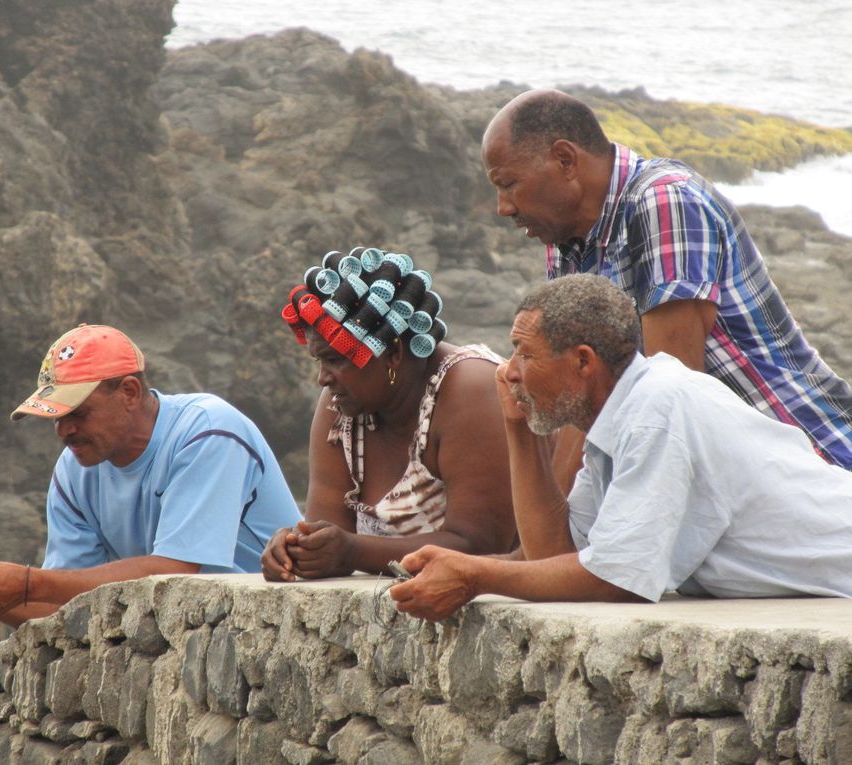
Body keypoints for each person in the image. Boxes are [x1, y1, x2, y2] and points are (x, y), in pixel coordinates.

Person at [390, 275, 852, 620]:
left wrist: (476, 575)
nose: (509, 370)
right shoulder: (619, 417)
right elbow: (554, 553)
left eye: (525, 354)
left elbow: (617, 579)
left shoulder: (660, 406)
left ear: (583, 362)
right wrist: (520, 427)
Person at [480, 88, 852, 474]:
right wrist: (553, 524)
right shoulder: (567, 239)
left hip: (812, 465)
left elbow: (674, 395)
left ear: (565, 159)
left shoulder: (664, 201)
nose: (503, 207)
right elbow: (583, 397)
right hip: (730, 473)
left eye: (508, 184)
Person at [0, 324, 301, 627]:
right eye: (56, 416)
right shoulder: (74, 471)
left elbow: (175, 572)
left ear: (129, 392)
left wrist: (27, 584)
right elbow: (63, 609)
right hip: (191, 628)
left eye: (77, 413)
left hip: (275, 622)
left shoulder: (207, 431)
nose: (64, 431)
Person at [260, 246, 516, 580]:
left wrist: (352, 551)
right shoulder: (340, 406)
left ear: (392, 352)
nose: (322, 378)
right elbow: (327, 534)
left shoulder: (470, 390)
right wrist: (297, 549)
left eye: (336, 360)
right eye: (318, 361)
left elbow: (480, 545)